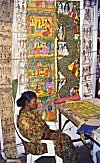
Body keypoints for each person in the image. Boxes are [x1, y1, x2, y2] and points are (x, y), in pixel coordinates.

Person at [17, 91, 79, 163]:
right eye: (34, 101)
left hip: (44, 135)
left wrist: (50, 102)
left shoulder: (29, 111)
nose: (37, 102)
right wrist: (45, 132)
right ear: (27, 103)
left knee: (66, 139)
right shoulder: (23, 120)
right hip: (36, 145)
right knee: (64, 141)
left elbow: (40, 112)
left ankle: (71, 160)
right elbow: (33, 137)